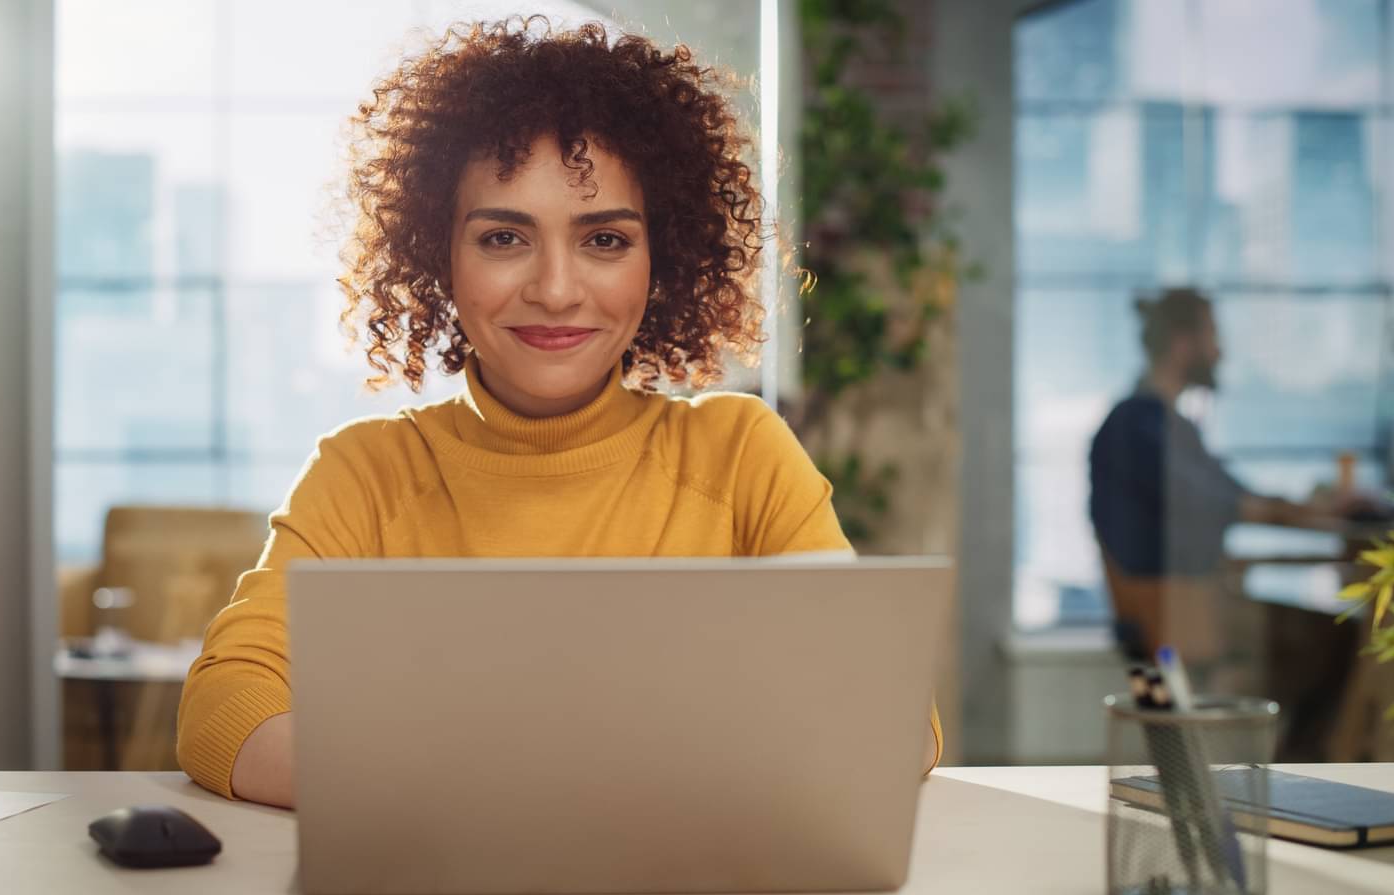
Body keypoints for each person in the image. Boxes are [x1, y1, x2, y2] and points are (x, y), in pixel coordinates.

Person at [176, 18, 941, 808]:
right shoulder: (365, 474)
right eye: (504, 237)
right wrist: (493, 794)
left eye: (604, 239)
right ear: (439, 254)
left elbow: (892, 719)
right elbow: (225, 706)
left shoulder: (739, 453)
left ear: (661, 259)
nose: (555, 289)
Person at [1088, 288, 1357, 661]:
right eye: (1212, 335)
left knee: (1337, 636)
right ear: (1183, 344)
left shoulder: (1164, 424)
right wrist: (1301, 511)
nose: (1220, 352)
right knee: (1347, 640)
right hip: (1178, 612)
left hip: (1186, 604)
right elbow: (1219, 502)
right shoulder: (1139, 426)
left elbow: (1229, 492)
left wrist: (1304, 507)